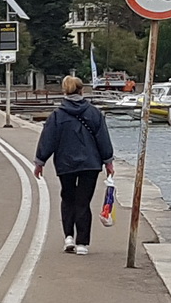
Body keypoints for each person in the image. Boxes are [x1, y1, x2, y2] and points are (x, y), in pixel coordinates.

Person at [34, 76, 115, 256]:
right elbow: (103, 139)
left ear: (64, 91)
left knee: (68, 198)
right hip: (90, 164)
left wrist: (40, 162)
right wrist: (108, 161)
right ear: (81, 90)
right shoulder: (94, 113)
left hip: (66, 162)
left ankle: (69, 236)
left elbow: (48, 140)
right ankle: (82, 244)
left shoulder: (57, 115)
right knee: (83, 202)